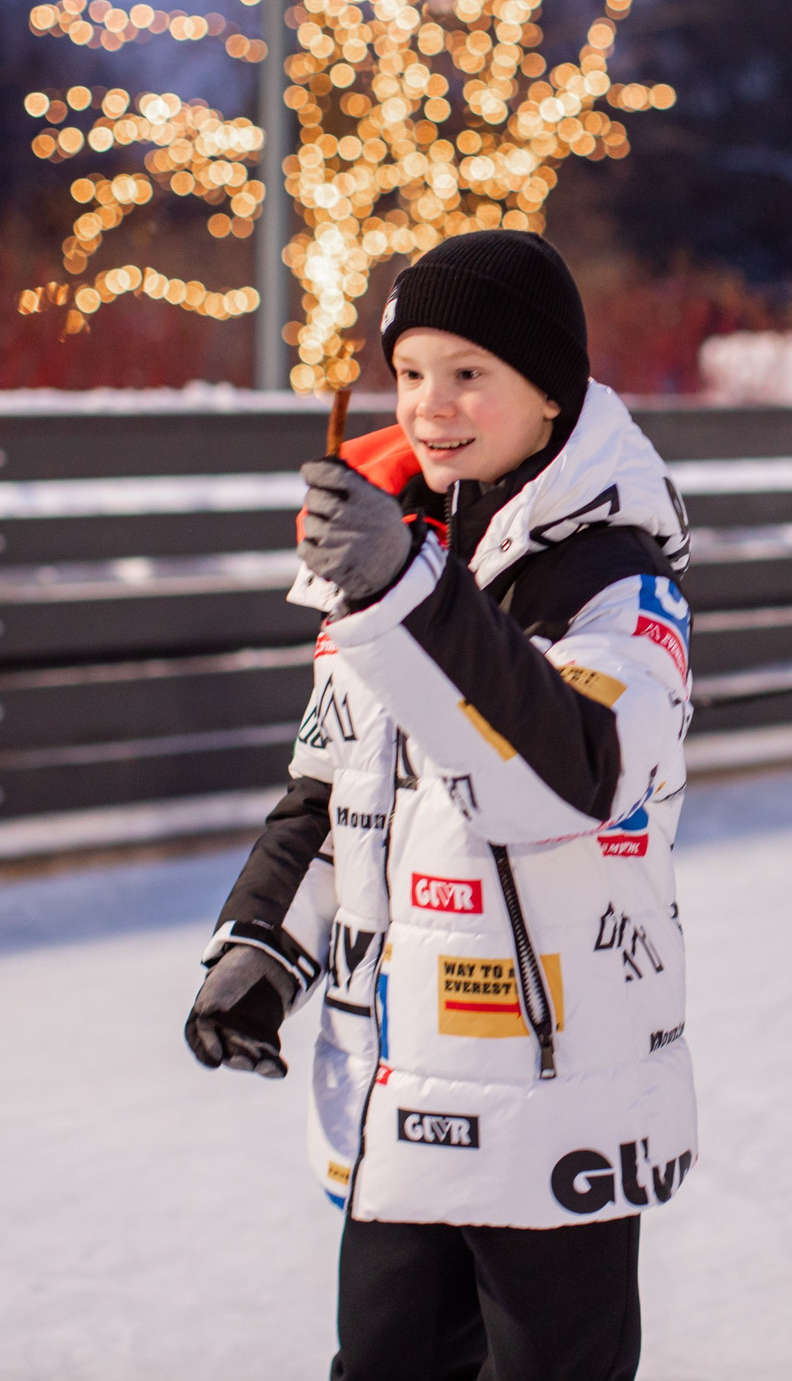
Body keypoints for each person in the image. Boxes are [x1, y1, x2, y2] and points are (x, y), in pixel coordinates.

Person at [183, 231, 696, 1381]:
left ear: (551, 390)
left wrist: (403, 598)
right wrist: (265, 942)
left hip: (560, 1092)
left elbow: (570, 775)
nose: (431, 405)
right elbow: (331, 783)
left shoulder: (615, 579)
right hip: (398, 1079)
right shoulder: (402, 545)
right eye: (411, 372)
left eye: (470, 373)